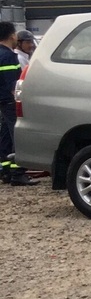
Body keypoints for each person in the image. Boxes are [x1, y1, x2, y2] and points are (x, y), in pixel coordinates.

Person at [0, 22, 36, 186]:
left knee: (6, 136)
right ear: (12, 36)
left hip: (3, 101)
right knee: (18, 135)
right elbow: (12, 84)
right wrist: (20, 100)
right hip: (10, 101)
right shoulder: (8, 56)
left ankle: (6, 170)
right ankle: (18, 173)